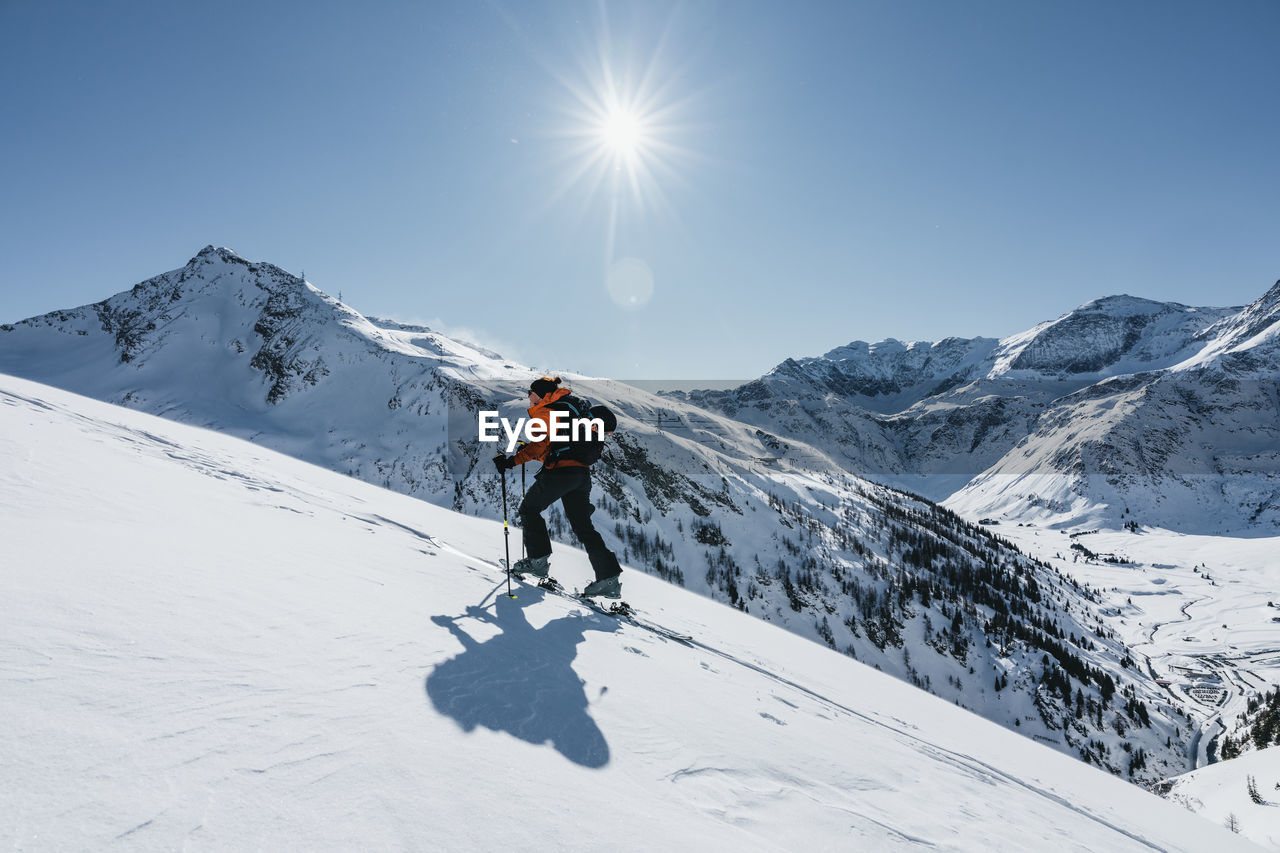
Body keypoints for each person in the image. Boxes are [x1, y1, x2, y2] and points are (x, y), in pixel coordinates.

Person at [493, 376, 623, 598]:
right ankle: (608, 578)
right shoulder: (572, 407)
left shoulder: (549, 410)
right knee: (583, 527)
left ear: (542, 394)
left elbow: (541, 445)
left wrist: (510, 461)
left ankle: (537, 562)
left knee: (529, 509)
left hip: (561, 473)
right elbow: (560, 444)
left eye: (530, 392)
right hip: (581, 475)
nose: (528, 396)